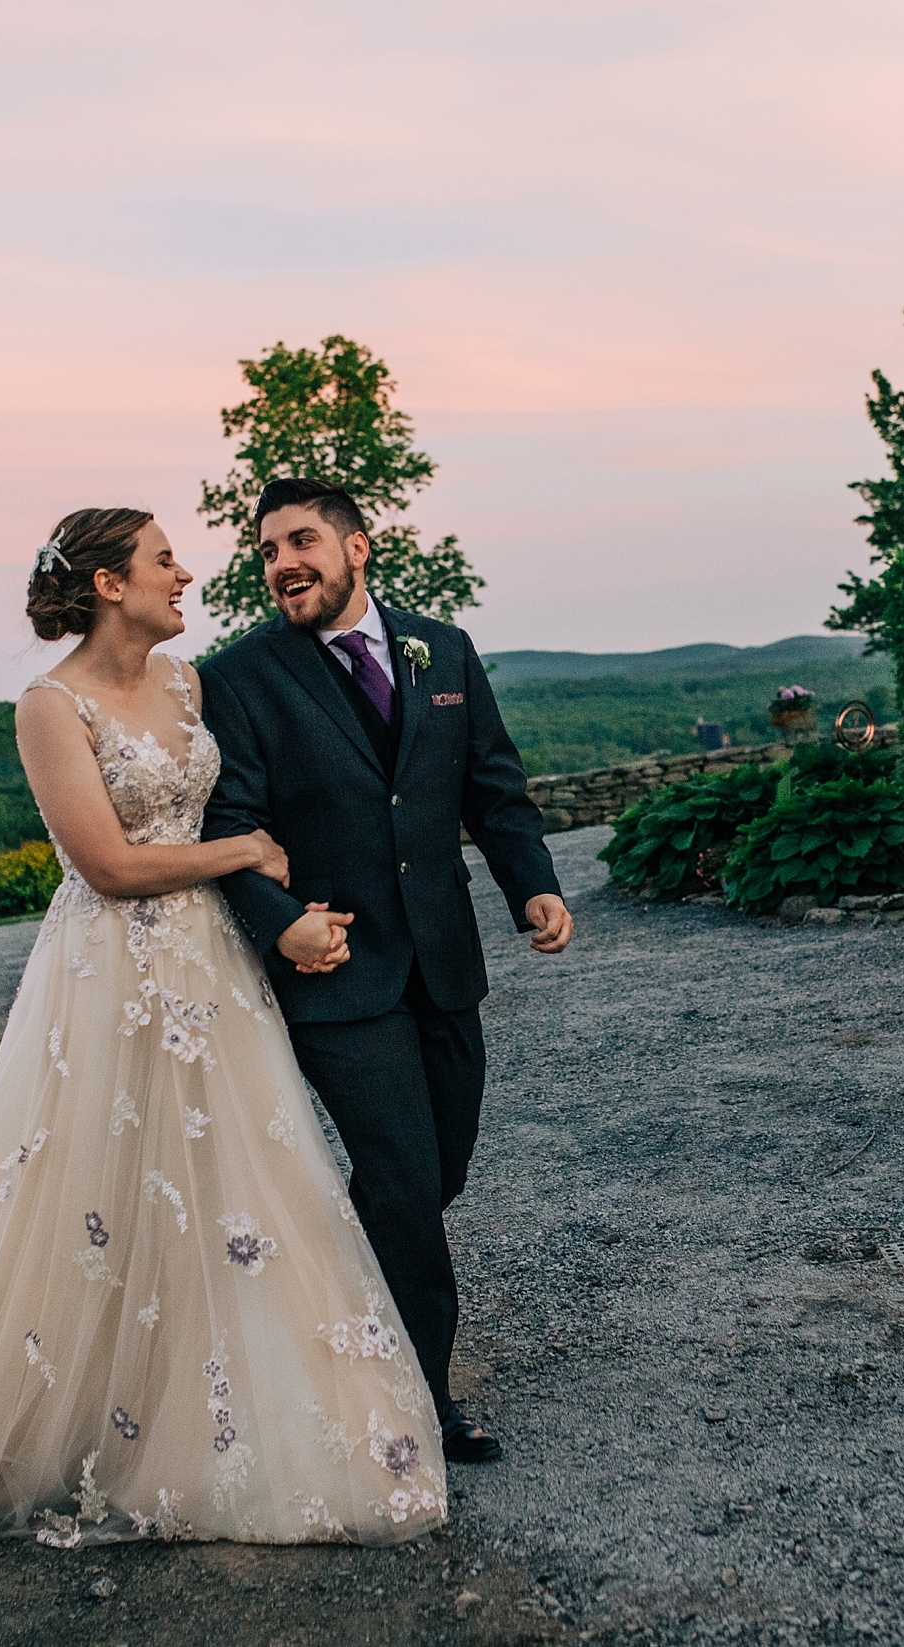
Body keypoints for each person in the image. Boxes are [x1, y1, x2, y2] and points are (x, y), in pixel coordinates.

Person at [0, 507, 445, 1550]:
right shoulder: (47, 706)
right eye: (163, 560)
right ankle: (71, 1416)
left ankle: (222, 1416)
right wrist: (239, 854)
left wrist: (295, 907)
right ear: (110, 583)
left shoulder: (191, 684)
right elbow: (106, 866)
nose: (184, 573)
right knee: (101, 1188)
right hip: (111, 974)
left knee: (239, 1189)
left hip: (214, 971)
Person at [197, 478, 570, 1466]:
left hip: (444, 962)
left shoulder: (440, 649)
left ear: (358, 547)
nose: (282, 562)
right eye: (268, 548)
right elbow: (227, 828)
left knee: (436, 1169)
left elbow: (493, 786)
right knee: (404, 1181)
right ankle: (416, 1397)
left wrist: (529, 885)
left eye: (302, 540)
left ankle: (327, 1299)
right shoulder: (238, 679)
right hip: (336, 973)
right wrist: (282, 928)